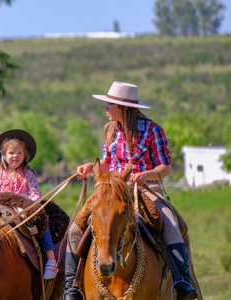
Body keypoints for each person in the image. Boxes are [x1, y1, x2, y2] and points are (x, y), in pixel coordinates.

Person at [64, 81, 197, 300]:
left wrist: (147, 175)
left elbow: (165, 167)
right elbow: (108, 162)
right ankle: (72, 287)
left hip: (146, 187)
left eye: (110, 105)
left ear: (124, 107)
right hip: (113, 189)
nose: (106, 109)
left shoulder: (153, 130)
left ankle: (182, 282)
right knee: (75, 230)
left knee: (171, 225)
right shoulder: (110, 130)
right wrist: (91, 167)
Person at [0, 129, 58, 280]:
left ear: (25, 155)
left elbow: (35, 194)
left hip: (23, 207)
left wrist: (28, 204)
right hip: (3, 207)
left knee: (41, 222)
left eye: (19, 153)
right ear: (4, 155)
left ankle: (51, 258)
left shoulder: (28, 173)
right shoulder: (0, 173)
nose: (15, 156)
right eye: (11, 153)